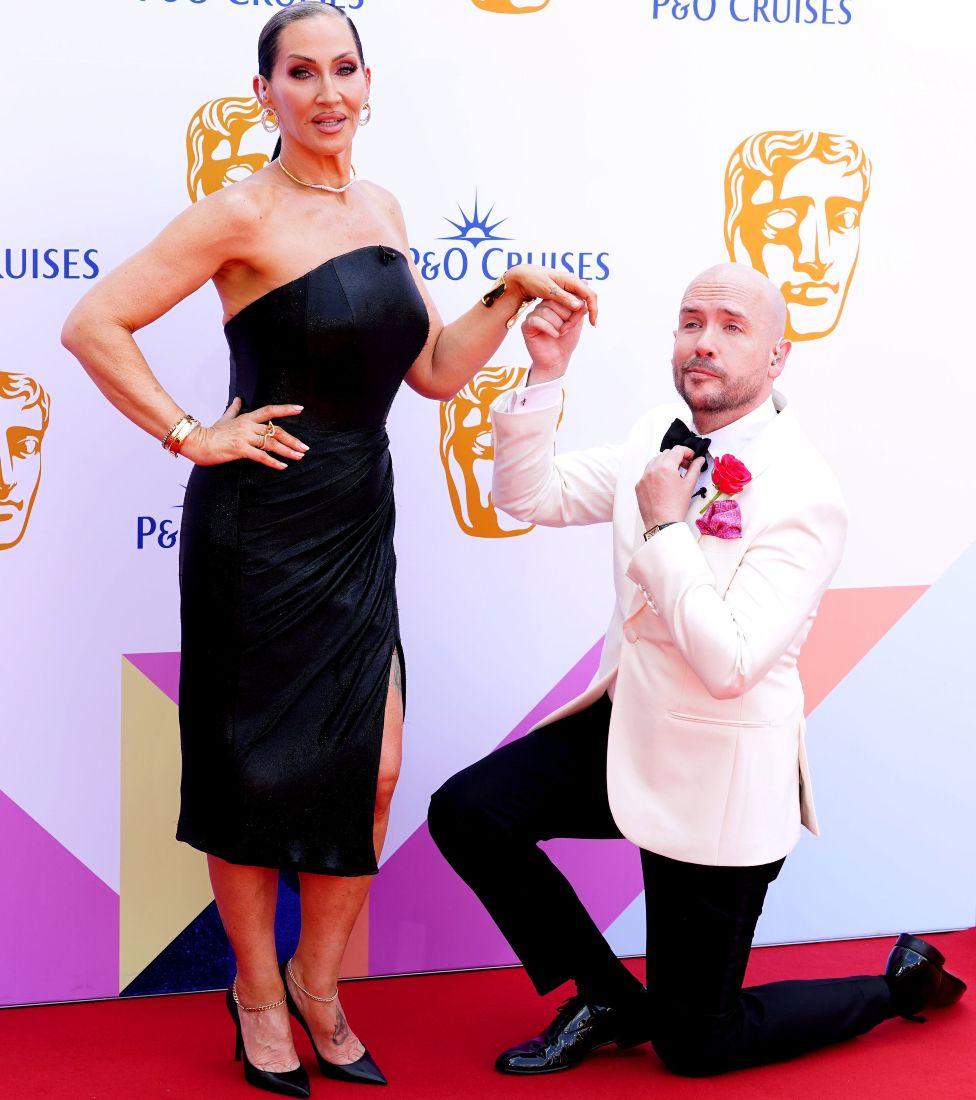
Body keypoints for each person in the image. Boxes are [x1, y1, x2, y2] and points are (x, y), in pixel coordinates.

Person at [61, 6, 595, 1095]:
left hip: (357, 519)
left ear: (368, 82)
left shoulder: (383, 206)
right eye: (299, 73)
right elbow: (93, 323)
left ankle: (318, 981)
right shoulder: (235, 214)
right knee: (253, 776)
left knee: (375, 765)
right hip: (256, 531)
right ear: (264, 92)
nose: (325, 92)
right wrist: (188, 432)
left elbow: (436, 371)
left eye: (343, 69)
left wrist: (508, 297)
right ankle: (258, 993)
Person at [429, 262, 965, 1078]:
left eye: (730, 326)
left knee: (696, 1045)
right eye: (690, 322)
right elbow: (526, 497)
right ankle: (607, 995)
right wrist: (544, 377)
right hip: (628, 727)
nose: (702, 343)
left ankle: (899, 986)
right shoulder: (657, 434)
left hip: (719, 773)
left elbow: (732, 664)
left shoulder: (806, 494)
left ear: (778, 357)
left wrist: (665, 529)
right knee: (469, 812)